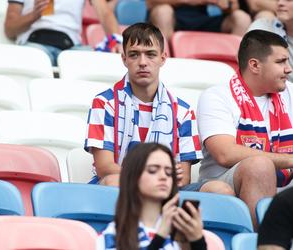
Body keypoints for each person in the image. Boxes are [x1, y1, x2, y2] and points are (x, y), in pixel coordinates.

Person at [84, 22, 234, 195]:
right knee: (113, 181)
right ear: (124, 58)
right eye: (134, 55)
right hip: (123, 183)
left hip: (167, 188)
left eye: (150, 54)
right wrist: (152, 178)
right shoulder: (104, 102)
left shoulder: (183, 111)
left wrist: (159, 179)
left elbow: (184, 178)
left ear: (163, 58)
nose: (142, 62)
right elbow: (105, 168)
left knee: (220, 190)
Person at [196, 29, 293, 228]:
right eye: (281, 62)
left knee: (261, 165)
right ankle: (260, 243)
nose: (289, 69)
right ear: (255, 65)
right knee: (259, 166)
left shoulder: (290, 93)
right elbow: (225, 154)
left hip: (283, 183)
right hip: (223, 183)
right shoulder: (217, 96)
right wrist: (289, 160)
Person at [97, 142, 224, 250]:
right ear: (133, 177)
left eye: (169, 173)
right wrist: (161, 235)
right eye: (153, 170)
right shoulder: (113, 234)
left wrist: (197, 240)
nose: (163, 176)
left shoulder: (181, 233)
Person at [4, 0, 122, 66]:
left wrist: (117, 41)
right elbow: (9, 29)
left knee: (103, 65)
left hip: (72, 48)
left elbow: (105, 13)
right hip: (35, 45)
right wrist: (34, 15)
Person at [146, 0, 252, 42]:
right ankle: (163, 62)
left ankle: (235, 69)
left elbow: (234, 6)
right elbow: (150, 2)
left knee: (241, 18)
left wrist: (226, 4)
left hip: (204, 19)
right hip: (172, 18)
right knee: (163, 12)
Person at [248, 0, 293, 82]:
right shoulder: (264, 26)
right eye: (278, 0)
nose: (280, 3)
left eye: (288, 0)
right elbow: (245, 57)